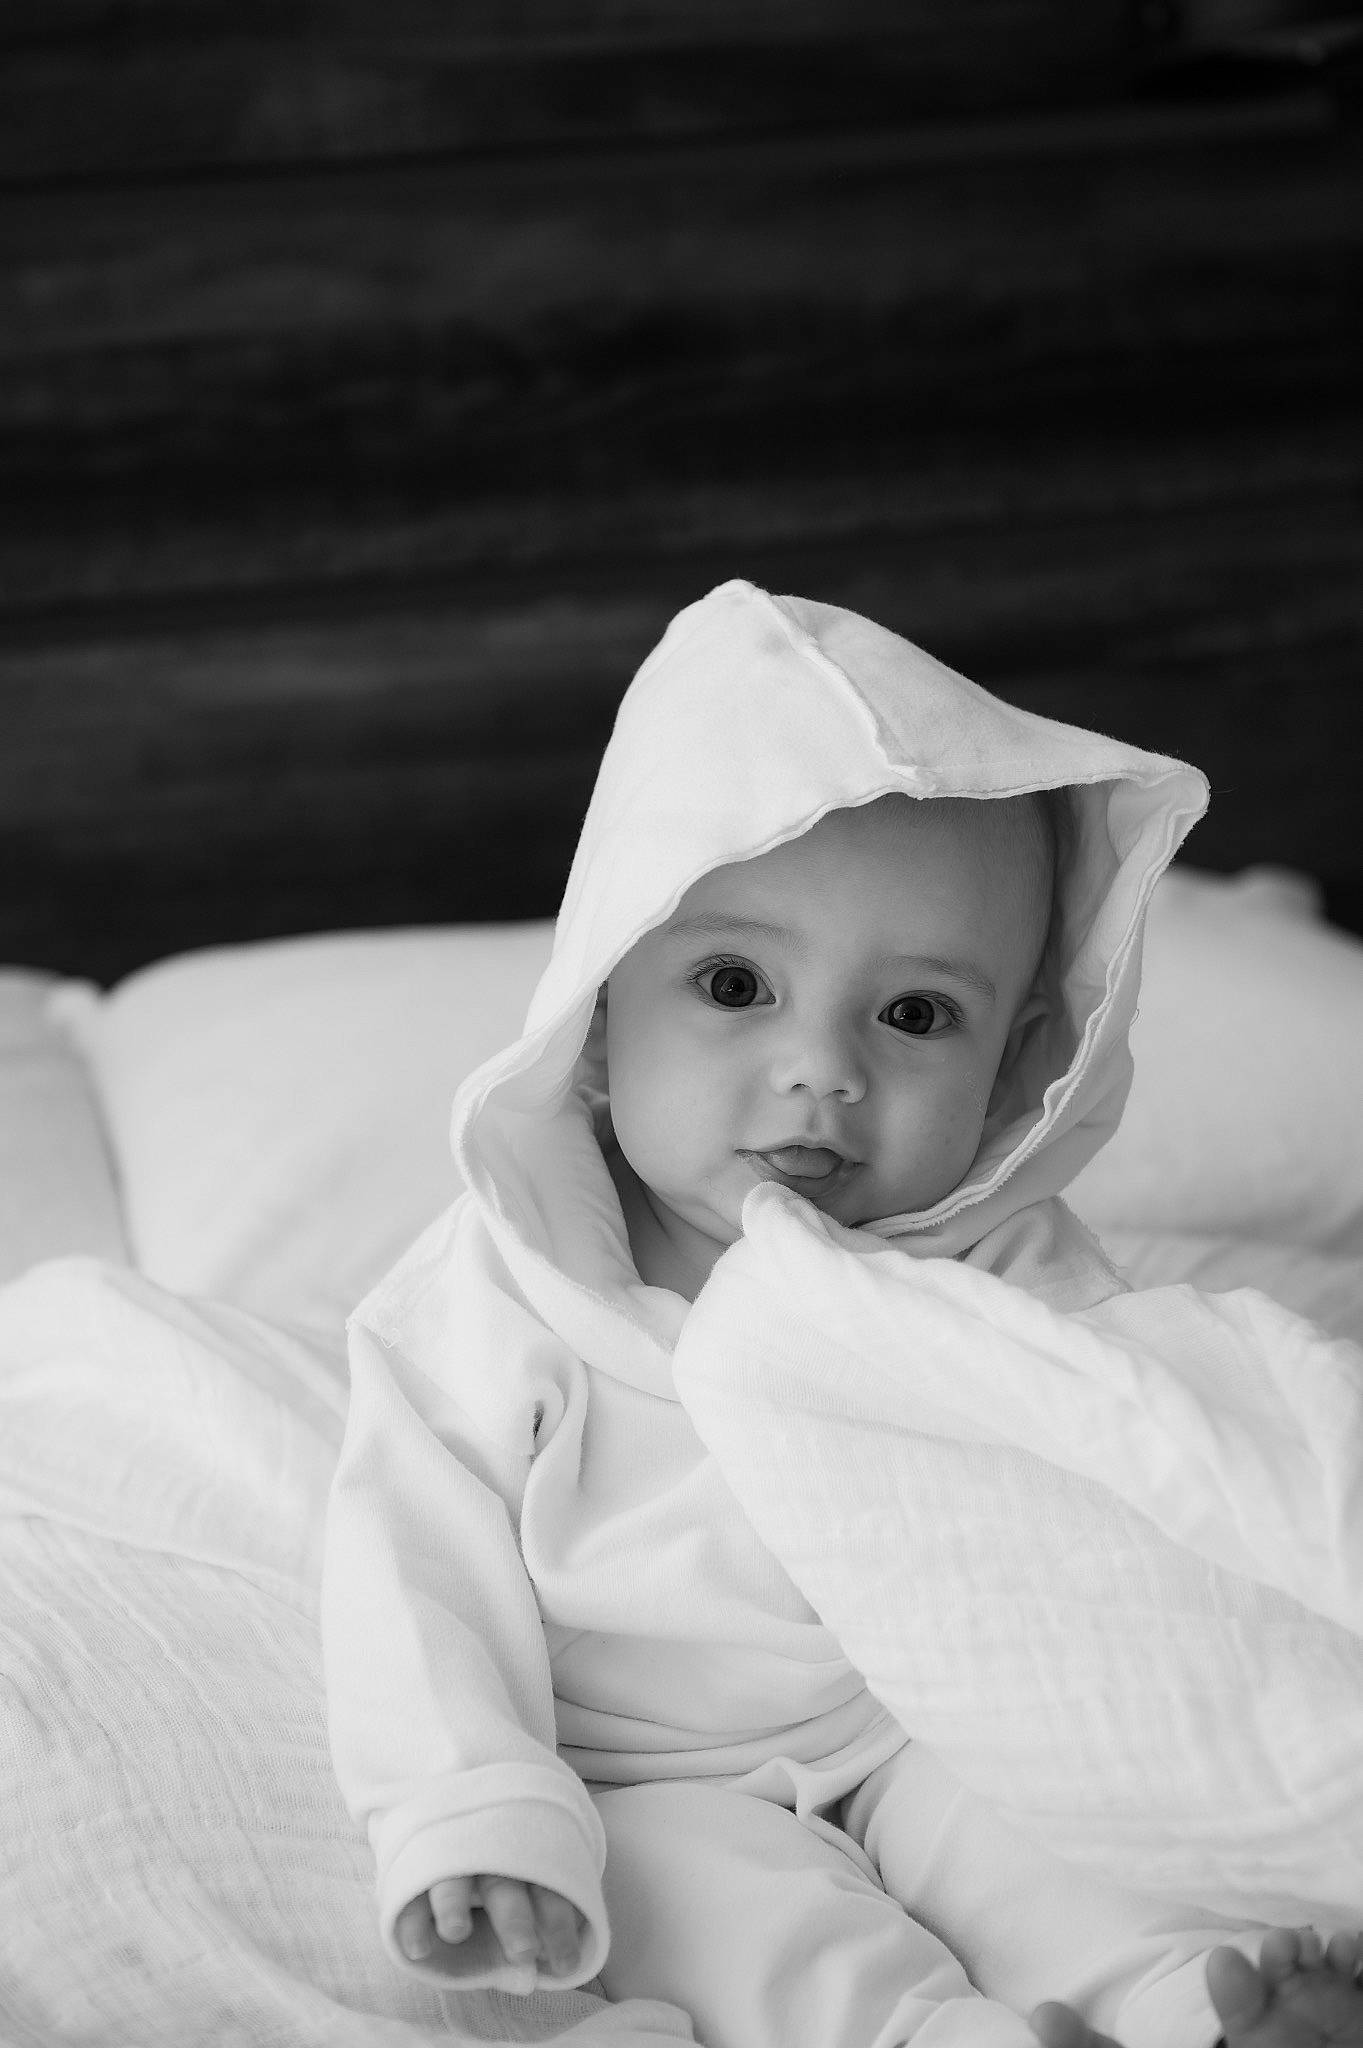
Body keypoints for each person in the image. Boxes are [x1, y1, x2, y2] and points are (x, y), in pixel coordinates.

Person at [320, 580, 1363, 2048]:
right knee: (740, 1929)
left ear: (1015, 1065)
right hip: (651, 1771)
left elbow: (1144, 1464)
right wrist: (472, 1809)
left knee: (1071, 1858)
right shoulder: (498, 1286)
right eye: (734, 983)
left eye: (917, 1014)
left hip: (935, 1709)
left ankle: (1201, 2013)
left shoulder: (994, 1264)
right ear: (600, 1013)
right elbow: (409, 1573)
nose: (821, 1068)